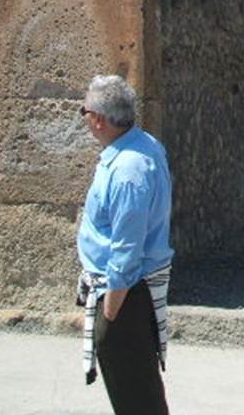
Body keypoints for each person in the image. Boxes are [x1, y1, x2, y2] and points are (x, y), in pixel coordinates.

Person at [76, 74, 173, 415]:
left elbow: (127, 246)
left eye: (83, 110)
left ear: (99, 119)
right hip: (129, 287)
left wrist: (112, 306)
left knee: (133, 390)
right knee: (137, 386)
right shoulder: (142, 145)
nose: (84, 117)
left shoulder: (128, 168)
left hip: (125, 290)